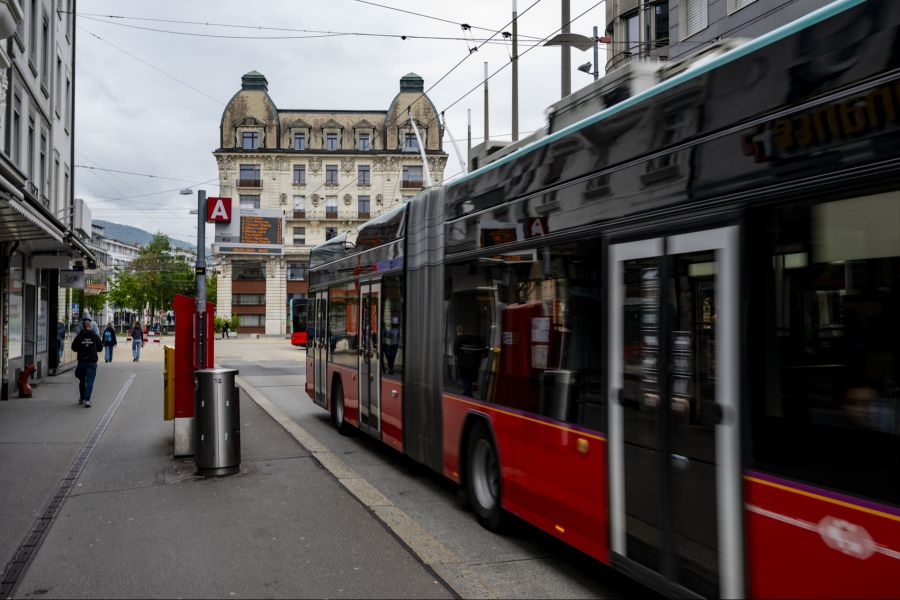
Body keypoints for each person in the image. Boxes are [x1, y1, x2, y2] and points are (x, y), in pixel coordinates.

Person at [72, 317, 102, 407]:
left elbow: (73, 347)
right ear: (91, 326)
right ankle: (87, 400)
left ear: (82, 326)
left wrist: (81, 348)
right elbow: (100, 348)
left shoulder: (79, 336)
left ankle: (81, 398)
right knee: (90, 381)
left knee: (82, 380)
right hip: (92, 362)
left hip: (81, 362)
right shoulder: (95, 336)